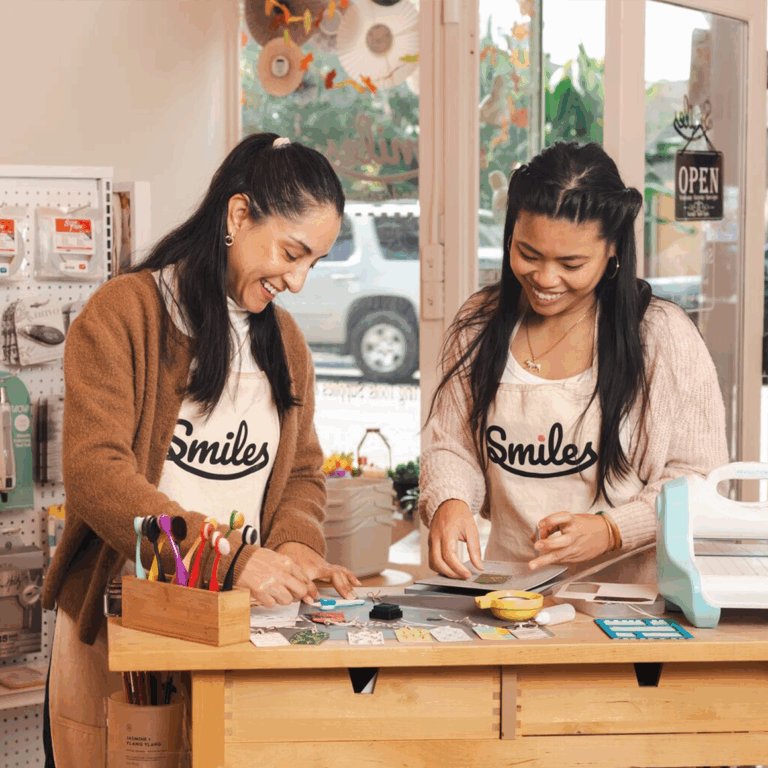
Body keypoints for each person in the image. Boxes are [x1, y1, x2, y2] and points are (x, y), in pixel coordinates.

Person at [41, 133, 360, 767]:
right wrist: (229, 557)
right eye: (291, 253)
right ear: (238, 217)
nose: (297, 281)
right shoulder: (124, 315)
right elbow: (95, 474)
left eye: (313, 264)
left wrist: (296, 547)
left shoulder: (286, 342)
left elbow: (300, 471)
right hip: (123, 630)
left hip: (238, 639)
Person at [419, 141, 728, 584]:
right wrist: (448, 503)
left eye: (571, 263)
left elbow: (697, 478)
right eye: (528, 254)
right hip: (508, 591)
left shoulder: (661, 335)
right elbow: (453, 445)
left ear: (613, 252)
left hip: (628, 600)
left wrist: (611, 530)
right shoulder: (479, 324)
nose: (545, 279)